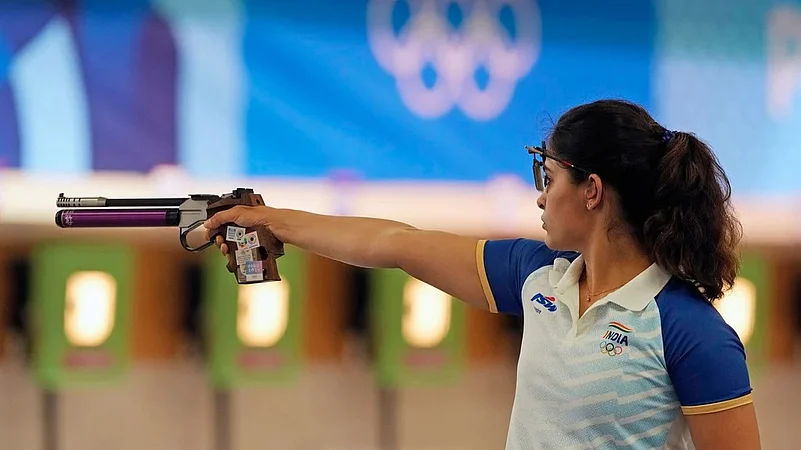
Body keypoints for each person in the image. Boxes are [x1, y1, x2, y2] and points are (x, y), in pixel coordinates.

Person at [204, 99, 761, 449]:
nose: (540, 193)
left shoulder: (692, 333)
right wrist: (270, 220)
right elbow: (394, 243)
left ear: (592, 190)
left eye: (549, 174)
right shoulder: (539, 275)